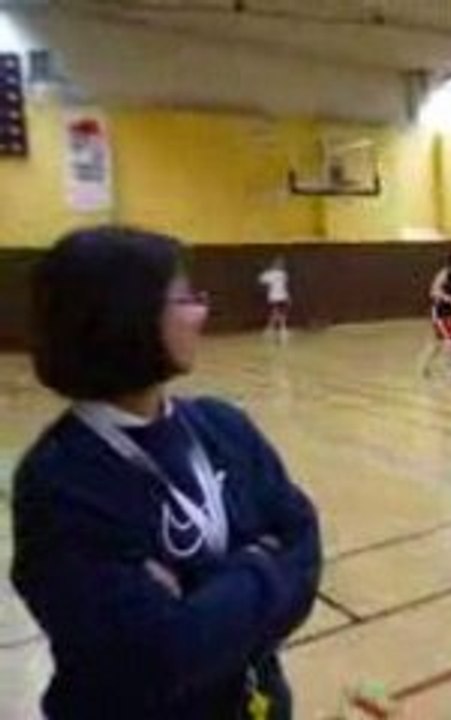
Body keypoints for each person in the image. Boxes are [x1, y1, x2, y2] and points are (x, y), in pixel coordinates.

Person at [11, 226, 322, 720]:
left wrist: (199, 593)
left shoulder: (224, 427)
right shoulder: (58, 482)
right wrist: (261, 561)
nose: (201, 312)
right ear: (125, 317)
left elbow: (305, 547)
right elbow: (158, 657)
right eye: (184, 299)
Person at [420, 251, 451, 383]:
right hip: (440, 312)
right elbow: (433, 292)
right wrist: (450, 299)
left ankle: (425, 366)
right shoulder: (444, 274)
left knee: (439, 344)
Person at [259, 257, 291, 345]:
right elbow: (262, 280)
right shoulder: (273, 274)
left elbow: (262, 280)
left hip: (281, 297)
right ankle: (271, 331)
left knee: (281, 315)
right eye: (279, 263)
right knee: (276, 314)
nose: (280, 265)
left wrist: (287, 297)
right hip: (274, 298)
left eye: (281, 263)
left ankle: (280, 331)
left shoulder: (282, 274)